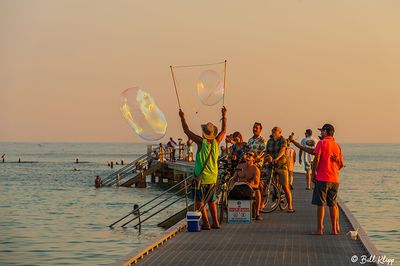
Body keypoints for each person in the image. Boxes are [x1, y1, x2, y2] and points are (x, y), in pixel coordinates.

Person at [179, 106, 227, 230]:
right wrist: (224, 115)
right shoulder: (217, 142)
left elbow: (186, 131)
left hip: (201, 177)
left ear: (204, 134)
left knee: (199, 200)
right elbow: (224, 131)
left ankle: (206, 223)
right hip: (212, 177)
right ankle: (216, 222)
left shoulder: (201, 142)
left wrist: (182, 117)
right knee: (211, 200)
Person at [311, 124, 344, 235]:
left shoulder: (322, 143)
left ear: (326, 131)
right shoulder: (337, 146)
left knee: (321, 204)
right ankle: (334, 229)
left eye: (322, 131)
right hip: (334, 179)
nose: (321, 133)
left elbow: (317, 158)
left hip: (322, 177)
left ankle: (320, 229)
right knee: (332, 204)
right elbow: (341, 165)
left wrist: (313, 173)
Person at [265, 127, 294, 213]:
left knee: (285, 186)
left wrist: (276, 159)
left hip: (281, 166)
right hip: (271, 166)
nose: (273, 131)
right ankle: (262, 204)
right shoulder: (269, 141)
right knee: (268, 184)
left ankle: (290, 206)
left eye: (275, 130)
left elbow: (282, 150)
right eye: (272, 130)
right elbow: (267, 152)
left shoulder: (283, 140)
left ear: (280, 132)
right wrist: (266, 159)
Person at [233, 151, 263, 220]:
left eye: (250, 155)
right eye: (247, 154)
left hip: (249, 188)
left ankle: (257, 213)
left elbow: (256, 185)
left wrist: (249, 184)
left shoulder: (255, 169)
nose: (248, 155)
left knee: (258, 192)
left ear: (254, 159)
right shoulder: (240, 166)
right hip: (238, 187)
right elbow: (234, 179)